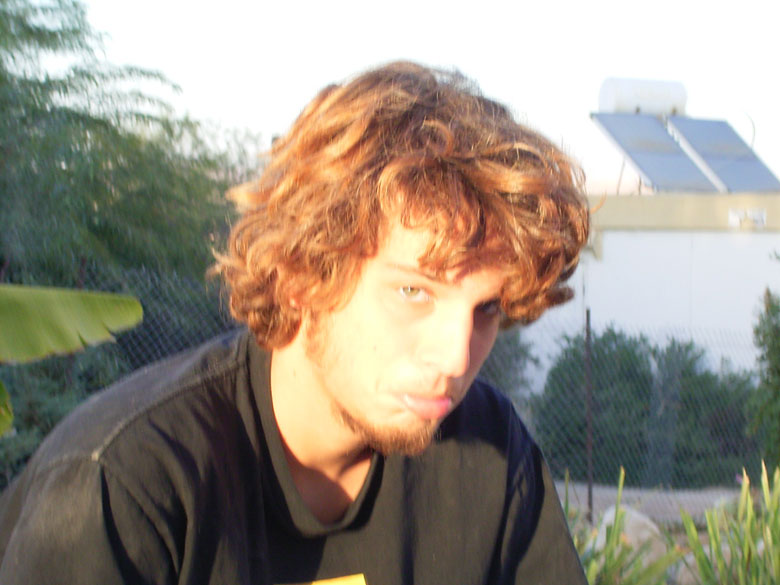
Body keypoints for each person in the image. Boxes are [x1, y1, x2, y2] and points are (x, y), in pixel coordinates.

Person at [0, 62, 590, 584]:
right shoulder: (125, 485)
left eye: (486, 308)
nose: (456, 358)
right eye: (414, 291)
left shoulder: (487, 451)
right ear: (305, 273)